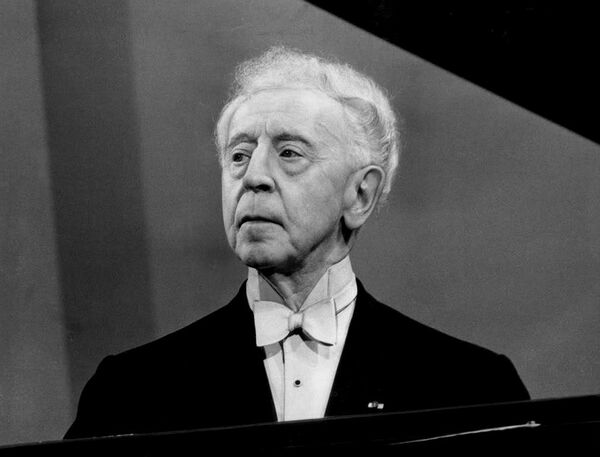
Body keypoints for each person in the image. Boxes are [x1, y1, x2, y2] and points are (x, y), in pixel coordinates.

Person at [65, 47, 529, 439]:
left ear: (360, 194)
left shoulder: (472, 388)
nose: (254, 177)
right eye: (239, 155)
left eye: (289, 153)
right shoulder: (130, 392)